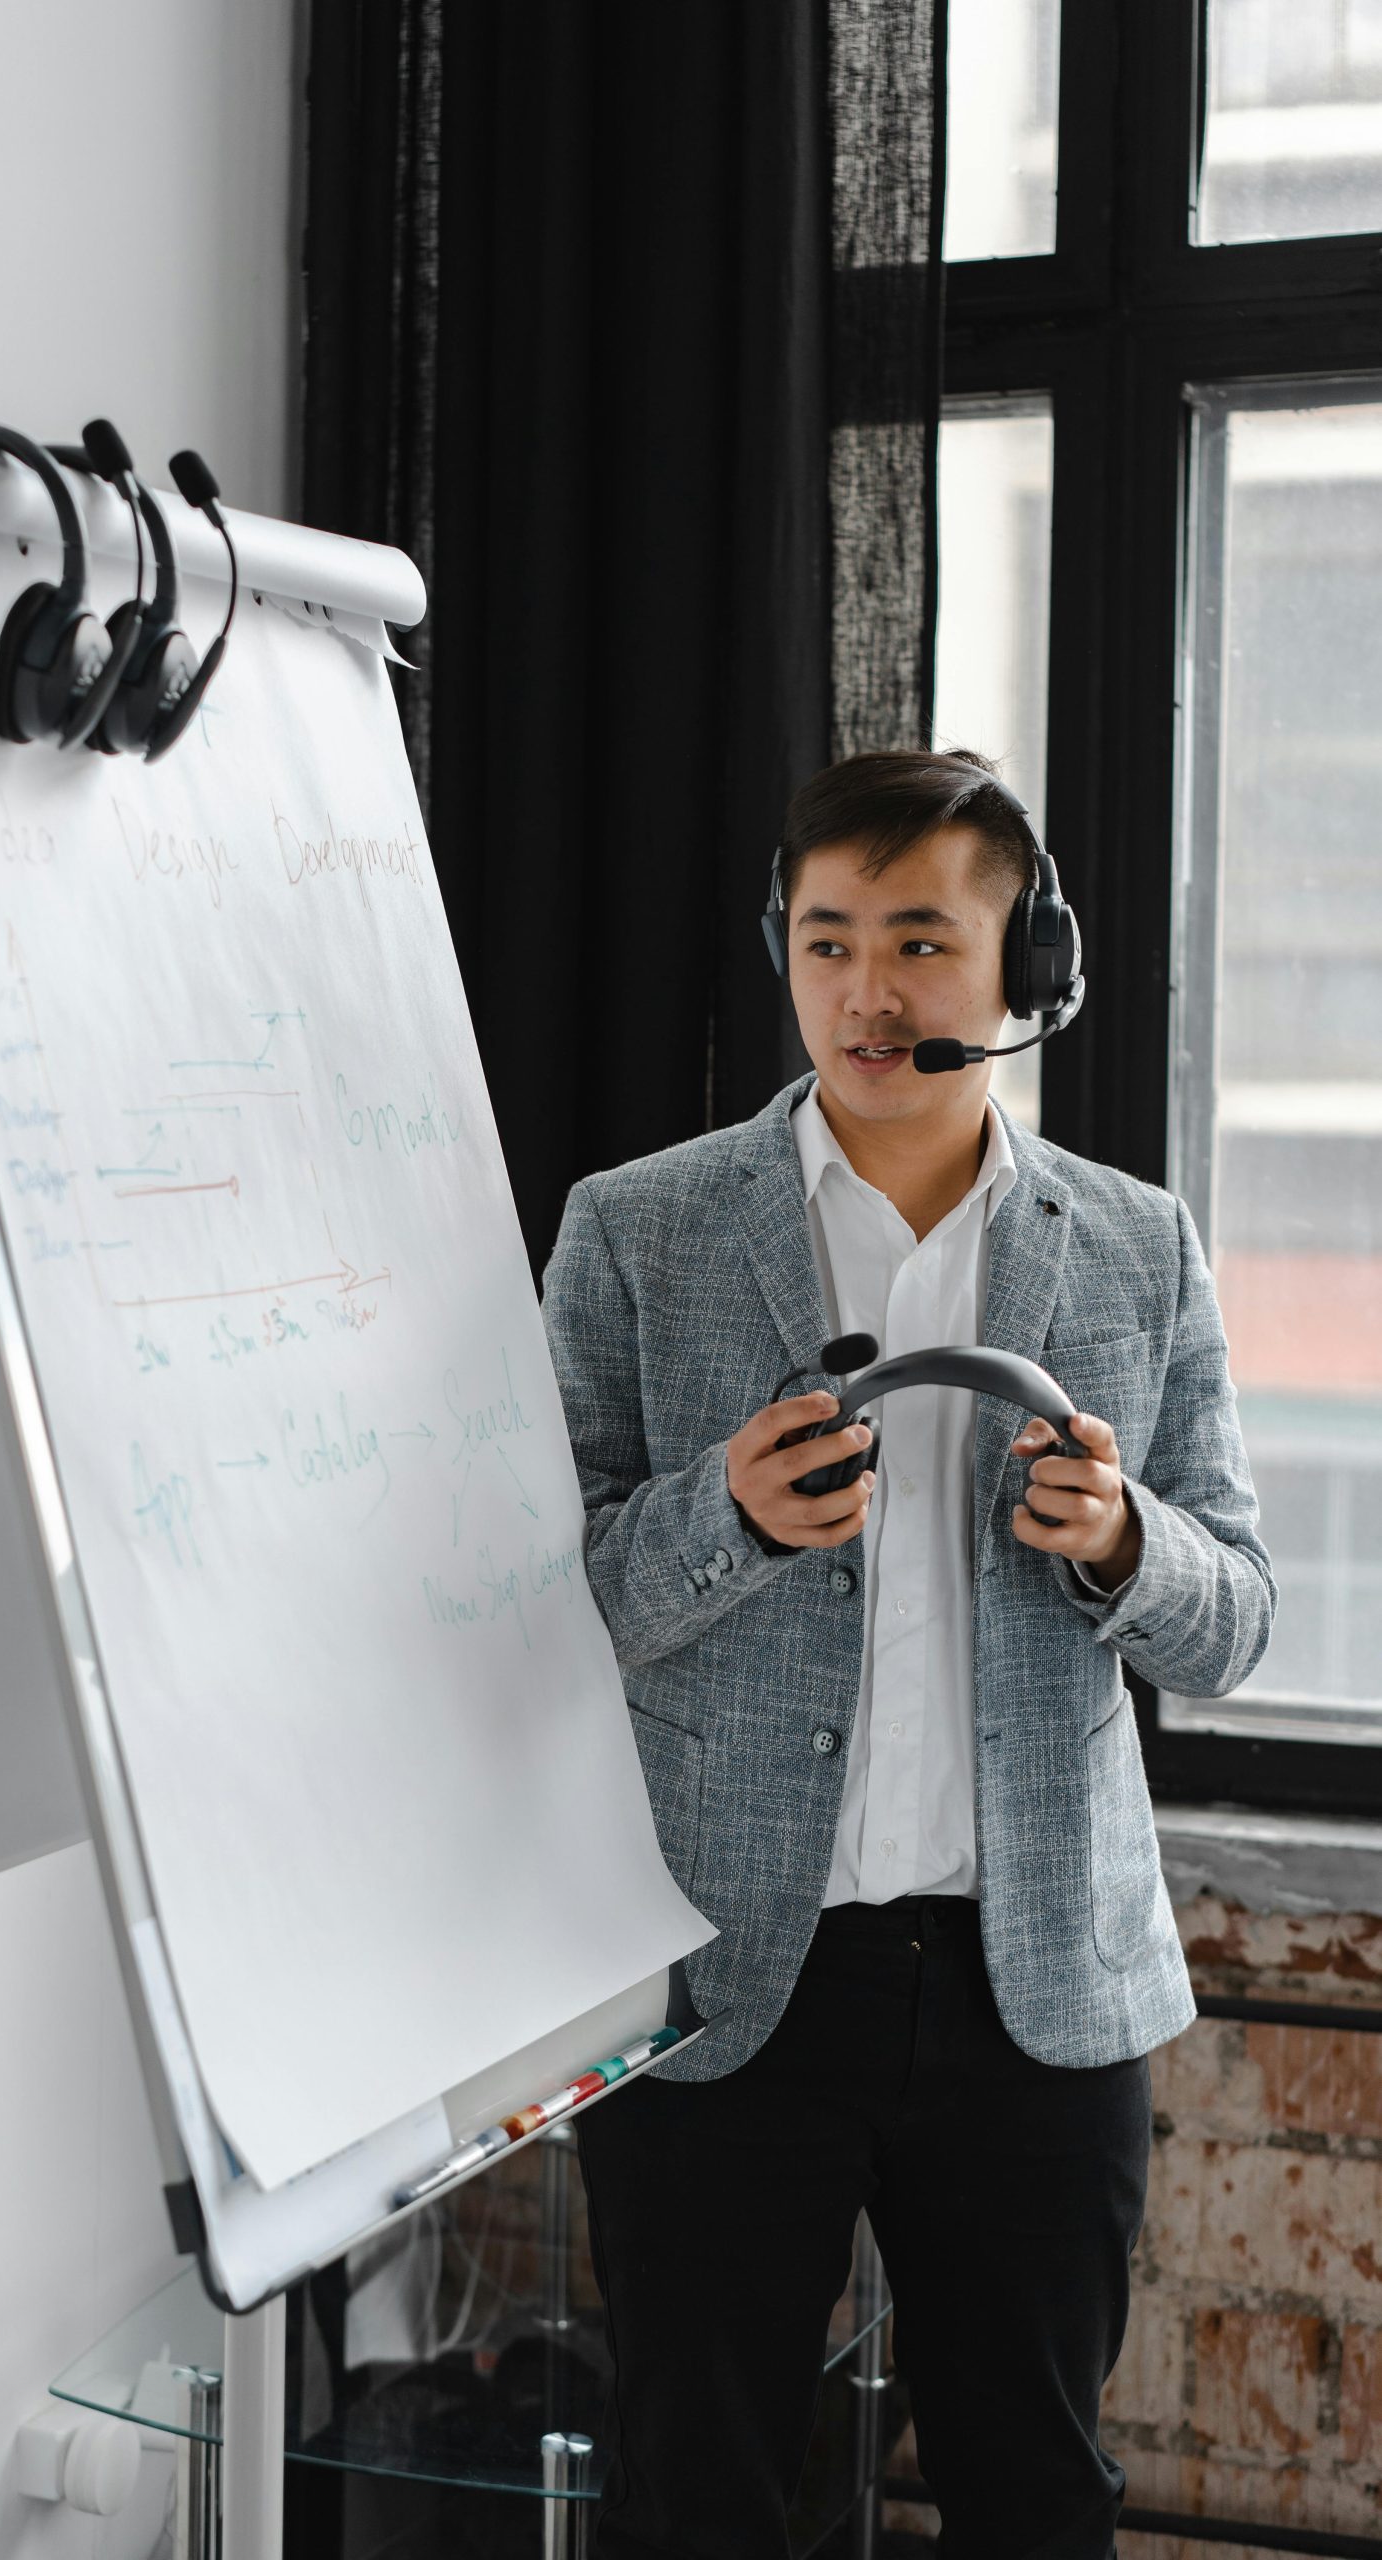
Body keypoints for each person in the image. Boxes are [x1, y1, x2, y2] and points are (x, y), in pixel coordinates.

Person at [539, 748, 1276, 2560]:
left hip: (1039, 1994)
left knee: (1038, 2502)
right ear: (782, 953)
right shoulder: (636, 1228)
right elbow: (533, 1610)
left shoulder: (1139, 1245)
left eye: (923, 943)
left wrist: (1121, 1543)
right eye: (829, 941)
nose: (869, 992)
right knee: (693, 2505)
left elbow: (1238, 1616)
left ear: (1027, 967)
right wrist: (724, 1515)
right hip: (725, 1984)